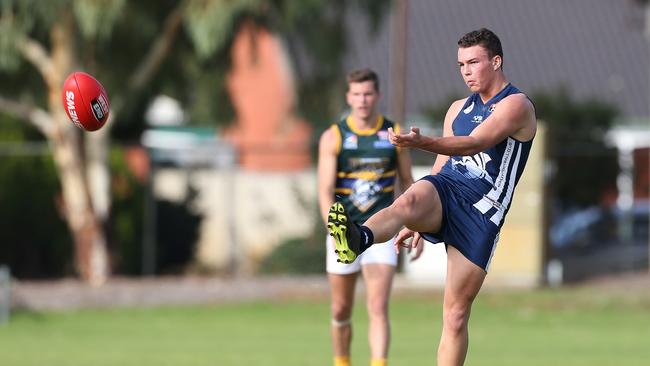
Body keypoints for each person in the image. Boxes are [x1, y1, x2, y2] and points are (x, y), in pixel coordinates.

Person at [327, 28, 537, 366]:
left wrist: (421, 141)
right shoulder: (457, 109)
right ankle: (359, 236)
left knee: (455, 315)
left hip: (483, 212)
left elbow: (474, 143)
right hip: (447, 189)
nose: (466, 71)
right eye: (461, 65)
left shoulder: (517, 105)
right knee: (407, 201)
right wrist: (415, 219)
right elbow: (440, 172)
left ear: (496, 61)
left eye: (473, 62)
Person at [318, 68, 422, 366]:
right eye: (357, 94)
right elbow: (324, 190)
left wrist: (417, 225)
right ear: (348, 97)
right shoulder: (334, 136)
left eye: (368, 94)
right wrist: (334, 229)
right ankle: (342, 361)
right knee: (340, 309)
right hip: (343, 233)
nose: (362, 100)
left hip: (381, 233)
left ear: (377, 96)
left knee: (378, 306)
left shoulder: (392, 133)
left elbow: (409, 184)